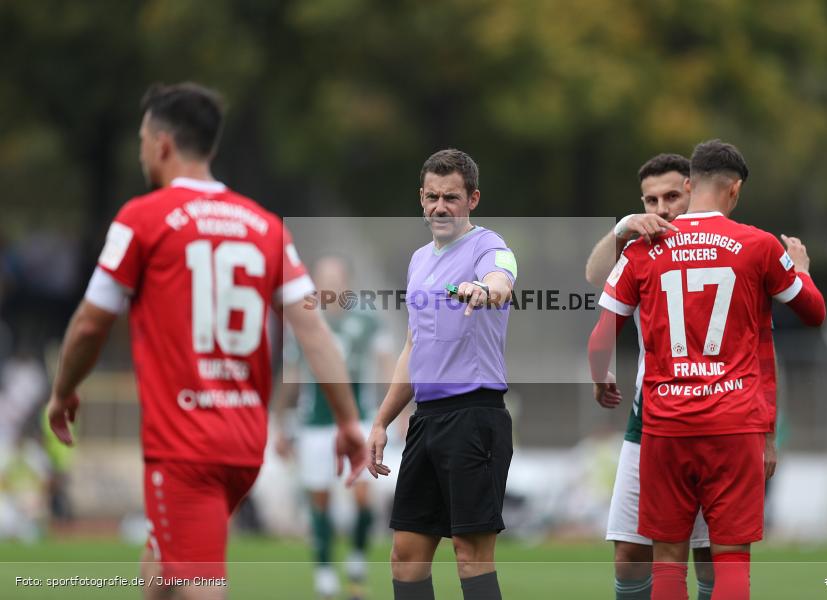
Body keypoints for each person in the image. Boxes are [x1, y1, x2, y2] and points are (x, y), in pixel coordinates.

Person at [45, 82, 367, 600]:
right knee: (162, 560)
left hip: (185, 445)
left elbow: (89, 322)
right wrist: (349, 420)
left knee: (198, 585)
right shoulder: (265, 227)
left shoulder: (142, 219)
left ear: (163, 144)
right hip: (242, 443)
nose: (142, 149)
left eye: (142, 139)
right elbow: (313, 330)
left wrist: (63, 391)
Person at [588, 140, 826, 600]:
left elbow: (601, 335)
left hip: (665, 423)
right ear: (734, 190)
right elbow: (813, 312)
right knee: (729, 558)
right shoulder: (757, 245)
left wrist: (601, 379)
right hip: (733, 423)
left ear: (690, 185)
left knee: (668, 559)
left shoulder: (644, 251)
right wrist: (802, 271)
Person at [365, 149, 517, 600]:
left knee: (470, 555)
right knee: (406, 555)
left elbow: (501, 280)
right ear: (421, 198)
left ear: (472, 198)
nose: (439, 207)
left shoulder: (490, 246)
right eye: (432, 197)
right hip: (425, 421)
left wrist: (485, 288)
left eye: (451, 197)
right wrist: (381, 421)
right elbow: (414, 347)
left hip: (474, 416)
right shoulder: (419, 261)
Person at [272, 254, 394, 600]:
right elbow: (292, 376)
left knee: (362, 496)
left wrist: (394, 413)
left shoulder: (368, 318)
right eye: (323, 278)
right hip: (315, 423)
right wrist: (280, 423)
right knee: (320, 498)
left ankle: (356, 559)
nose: (329, 284)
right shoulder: (306, 319)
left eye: (335, 278)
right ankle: (325, 576)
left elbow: (387, 365)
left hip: (359, 419)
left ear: (348, 282)